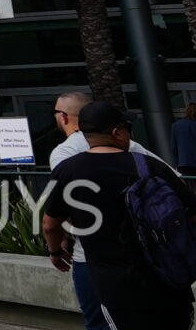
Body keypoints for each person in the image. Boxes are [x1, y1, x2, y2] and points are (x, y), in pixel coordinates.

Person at [44, 100, 196, 330]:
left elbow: (50, 225)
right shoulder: (147, 163)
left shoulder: (68, 169)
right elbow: (190, 212)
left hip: (115, 287)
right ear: (117, 132)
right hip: (167, 278)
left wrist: (55, 251)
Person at [50, 90, 159, 330]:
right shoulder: (131, 147)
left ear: (64, 118)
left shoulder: (65, 155)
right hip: (147, 252)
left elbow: (58, 213)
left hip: (95, 258)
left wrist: (56, 247)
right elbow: (176, 180)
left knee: (101, 323)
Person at [173, 101, 196, 175]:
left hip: (183, 164)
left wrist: (176, 164)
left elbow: (174, 147)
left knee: (188, 185)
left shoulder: (176, 125)